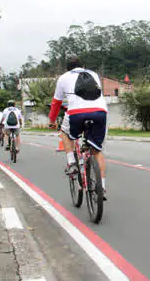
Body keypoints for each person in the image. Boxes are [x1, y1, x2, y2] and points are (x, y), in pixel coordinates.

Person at [48, 57, 108, 200]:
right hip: (100, 112)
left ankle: (72, 163)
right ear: (83, 66)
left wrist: (51, 121)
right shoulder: (93, 75)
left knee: (65, 133)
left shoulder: (63, 78)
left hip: (76, 113)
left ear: (67, 69)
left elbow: (56, 103)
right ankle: (102, 188)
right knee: (97, 151)